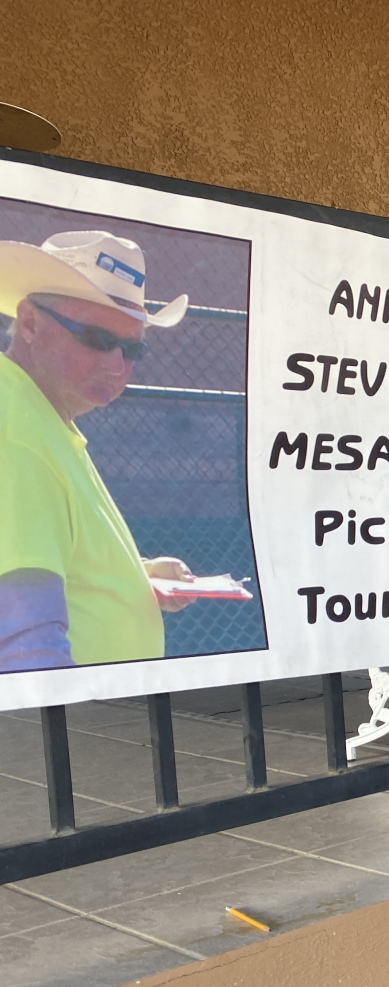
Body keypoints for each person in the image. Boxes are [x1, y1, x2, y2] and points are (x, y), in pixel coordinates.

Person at [0, 230, 195, 672]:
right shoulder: (15, 431)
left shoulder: (37, 415)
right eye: (98, 339)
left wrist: (132, 579)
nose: (117, 364)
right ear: (29, 323)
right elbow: (24, 649)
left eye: (133, 348)